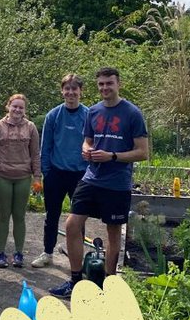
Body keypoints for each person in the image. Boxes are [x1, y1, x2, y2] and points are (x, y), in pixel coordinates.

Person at [50, 67, 149, 297]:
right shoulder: (93, 112)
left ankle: (108, 285)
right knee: (72, 225)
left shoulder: (132, 113)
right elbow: (87, 141)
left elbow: (143, 152)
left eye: (109, 83)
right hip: (92, 177)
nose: (105, 88)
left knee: (113, 233)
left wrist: (112, 156)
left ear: (118, 84)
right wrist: (87, 150)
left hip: (117, 182)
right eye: (101, 84)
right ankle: (75, 281)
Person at [32, 74, 89, 268]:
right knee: (52, 216)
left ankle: (77, 257)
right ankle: (47, 252)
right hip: (56, 173)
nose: (71, 92)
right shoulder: (53, 115)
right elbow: (45, 146)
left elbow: (94, 143)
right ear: (62, 91)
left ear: (81, 91)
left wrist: (89, 173)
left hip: (80, 175)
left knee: (79, 217)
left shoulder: (88, 115)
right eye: (67, 89)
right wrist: (46, 172)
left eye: (75, 89)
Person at [0, 94, 41, 268]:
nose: (17, 110)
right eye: (14, 106)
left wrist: (37, 177)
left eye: (21, 107)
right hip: (2, 176)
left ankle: (18, 253)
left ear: (25, 110)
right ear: (8, 106)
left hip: (23, 177)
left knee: (19, 216)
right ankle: (1, 253)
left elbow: (35, 154)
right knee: (3, 216)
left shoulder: (31, 128)